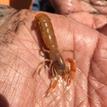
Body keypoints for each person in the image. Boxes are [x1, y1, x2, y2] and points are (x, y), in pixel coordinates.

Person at [0, 0, 107, 107]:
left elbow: (63, 62)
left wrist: (9, 22)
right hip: (44, 29)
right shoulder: (55, 60)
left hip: (45, 33)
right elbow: (56, 64)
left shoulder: (58, 59)